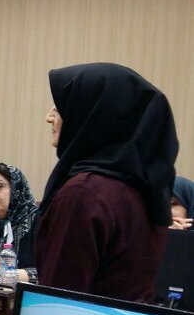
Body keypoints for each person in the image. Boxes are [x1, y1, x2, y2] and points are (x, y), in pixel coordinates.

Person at [35, 63, 178, 302]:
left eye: (60, 108)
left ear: (93, 116)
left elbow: (58, 300)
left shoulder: (85, 193)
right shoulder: (145, 189)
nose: (49, 117)